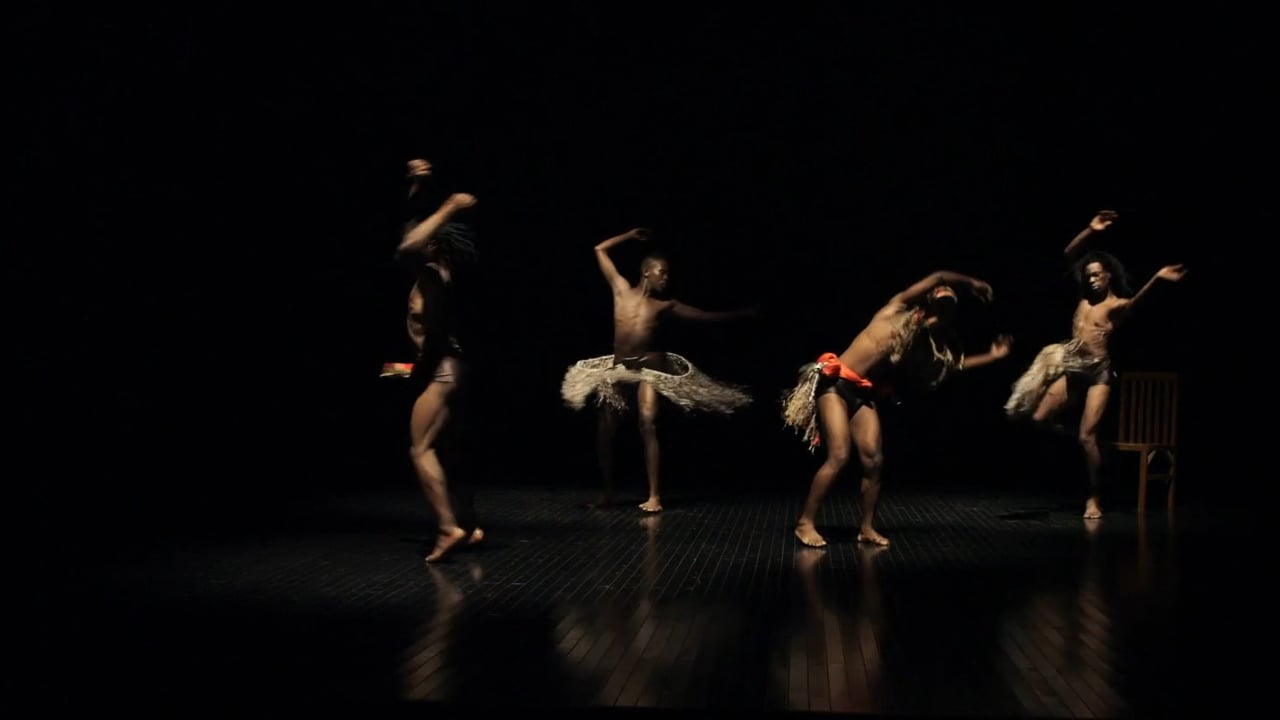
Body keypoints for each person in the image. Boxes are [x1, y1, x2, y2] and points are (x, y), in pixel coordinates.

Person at [782, 270, 1012, 548]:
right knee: (840, 455)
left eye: (948, 308)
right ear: (926, 302)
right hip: (835, 384)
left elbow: (950, 367)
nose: (942, 310)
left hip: (862, 392)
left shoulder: (922, 344)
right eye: (939, 302)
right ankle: (805, 523)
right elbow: (938, 275)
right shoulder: (894, 310)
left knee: (874, 460)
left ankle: (866, 528)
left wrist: (992, 357)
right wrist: (971, 283)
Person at [1005, 210, 1187, 519]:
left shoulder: (1114, 307)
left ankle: (1094, 497)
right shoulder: (1083, 297)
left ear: (1108, 276)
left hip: (1098, 375)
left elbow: (1137, 302)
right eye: (1088, 275)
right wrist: (1090, 230)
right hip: (1072, 369)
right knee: (1038, 418)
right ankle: (1081, 437)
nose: (1091, 279)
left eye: (1096, 275)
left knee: (1086, 438)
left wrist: (1157, 278)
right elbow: (1069, 254)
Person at [560, 227, 756, 513]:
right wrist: (629, 236)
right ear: (647, 272)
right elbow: (599, 249)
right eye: (662, 272)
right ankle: (608, 492)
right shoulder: (620, 290)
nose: (666, 278)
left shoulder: (665, 305)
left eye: (668, 274)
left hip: (649, 369)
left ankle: (654, 495)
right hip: (619, 369)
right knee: (604, 432)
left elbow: (704, 316)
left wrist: (742, 314)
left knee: (647, 421)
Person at [396, 157, 484, 562]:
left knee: (420, 449)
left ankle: (448, 528)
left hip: (443, 371)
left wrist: (448, 207)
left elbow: (408, 244)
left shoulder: (433, 274)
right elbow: (412, 229)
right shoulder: (434, 273)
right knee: (447, 447)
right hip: (439, 369)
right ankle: (468, 524)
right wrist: (418, 186)